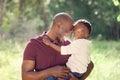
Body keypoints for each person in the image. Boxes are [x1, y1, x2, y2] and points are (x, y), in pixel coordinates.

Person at [22, 12, 93, 80]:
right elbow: (25, 77)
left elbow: (90, 65)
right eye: (66, 31)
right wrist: (50, 72)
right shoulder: (34, 45)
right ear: (58, 25)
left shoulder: (68, 45)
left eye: (70, 32)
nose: (68, 35)